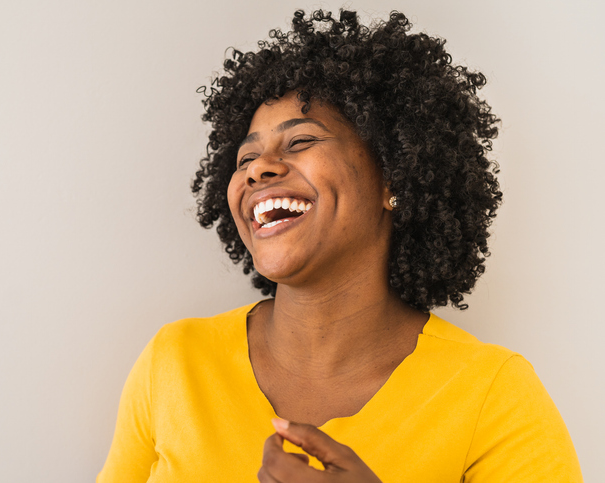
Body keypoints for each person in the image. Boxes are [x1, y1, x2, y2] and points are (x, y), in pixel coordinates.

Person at [97, 9, 582, 482]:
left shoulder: (492, 394)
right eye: (246, 156)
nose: (257, 169)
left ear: (395, 176)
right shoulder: (174, 362)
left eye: (300, 141)